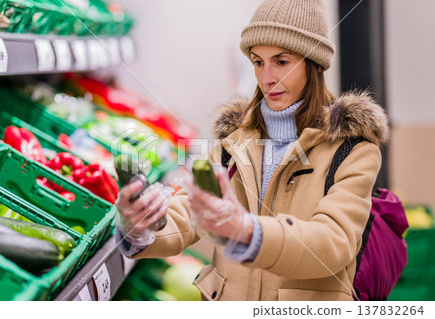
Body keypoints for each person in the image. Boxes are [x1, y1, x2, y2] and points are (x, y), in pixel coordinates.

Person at [115, 0, 390, 301]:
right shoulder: (233, 141)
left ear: (313, 64)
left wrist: (246, 230)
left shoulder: (352, 150)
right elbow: (190, 211)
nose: (267, 77)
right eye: (258, 62)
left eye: (281, 62)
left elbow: (333, 242)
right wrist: (143, 226)